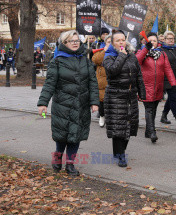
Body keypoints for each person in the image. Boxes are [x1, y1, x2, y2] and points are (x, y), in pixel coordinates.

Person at [37, 30, 99, 176]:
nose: (75, 43)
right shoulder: (57, 61)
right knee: (62, 135)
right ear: (64, 43)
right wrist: (43, 103)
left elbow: (92, 82)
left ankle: (70, 164)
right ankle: (58, 157)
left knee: (76, 134)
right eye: (72, 40)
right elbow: (49, 84)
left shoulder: (85, 59)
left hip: (81, 104)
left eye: (77, 40)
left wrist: (94, 102)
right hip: (63, 104)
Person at [103, 30, 146, 167]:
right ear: (112, 43)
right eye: (118, 40)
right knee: (118, 128)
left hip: (130, 95)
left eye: (123, 40)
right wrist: (121, 55)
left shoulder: (132, 56)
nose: (121, 42)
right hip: (116, 95)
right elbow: (112, 71)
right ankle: (120, 155)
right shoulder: (108, 57)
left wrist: (142, 92)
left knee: (129, 125)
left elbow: (138, 74)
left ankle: (120, 151)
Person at [136, 32, 176, 142]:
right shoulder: (142, 52)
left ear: (157, 42)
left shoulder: (162, 54)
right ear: (145, 42)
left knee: (153, 109)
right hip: (145, 87)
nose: (152, 42)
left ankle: (148, 130)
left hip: (158, 87)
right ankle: (152, 132)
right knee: (149, 109)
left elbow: (167, 68)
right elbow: (137, 61)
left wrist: (173, 82)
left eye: (154, 40)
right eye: (150, 41)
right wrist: (145, 49)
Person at [91, 35, 112, 128]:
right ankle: (102, 116)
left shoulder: (120, 52)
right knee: (102, 103)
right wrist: (104, 51)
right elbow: (95, 60)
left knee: (112, 103)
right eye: (108, 42)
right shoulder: (100, 51)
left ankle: (111, 118)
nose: (110, 44)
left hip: (112, 82)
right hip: (102, 83)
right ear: (105, 42)